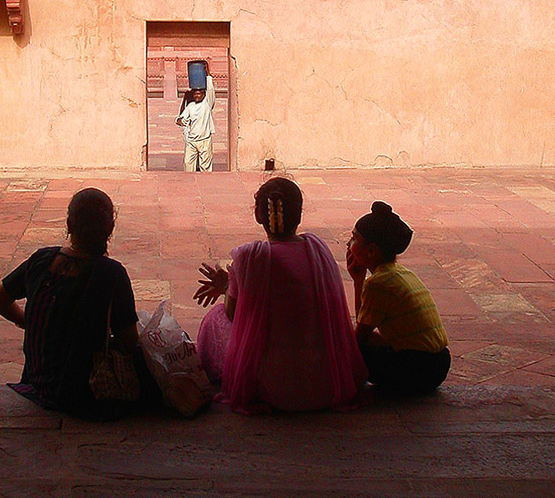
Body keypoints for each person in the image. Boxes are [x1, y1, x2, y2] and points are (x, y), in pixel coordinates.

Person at [194, 177, 367, 414]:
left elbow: (235, 315)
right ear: (299, 215)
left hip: (272, 388)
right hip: (325, 383)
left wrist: (226, 287)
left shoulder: (250, 257)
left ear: (258, 215)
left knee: (215, 318)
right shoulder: (317, 250)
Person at [0, 188, 147, 420]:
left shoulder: (42, 259)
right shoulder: (111, 274)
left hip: (37, 383)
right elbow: (130, 340)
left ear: (69, 225)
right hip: (80, 392)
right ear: (109, 230)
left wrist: (28, 321)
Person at [346, 201, 450, 395]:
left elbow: (358, 339)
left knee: (345, 348)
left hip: (417, 369)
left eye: (353, 239)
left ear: (371, 250)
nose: (348, 245)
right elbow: (366, 326)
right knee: (369, 340)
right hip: (440, 362)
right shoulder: (400, 273)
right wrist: (358, 281)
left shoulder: (378, 283)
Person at [175, 65, 215, 173]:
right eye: (195, 94)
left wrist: (207, 73)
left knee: (205, 168)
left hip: (204, 140)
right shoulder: (191, 106)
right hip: (192, 141)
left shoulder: (207, 103)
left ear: (203, 94)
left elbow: (210, 89)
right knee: (188, 164)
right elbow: (180, 118)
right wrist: (181, 121)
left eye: (199, 94)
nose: (197, 96)